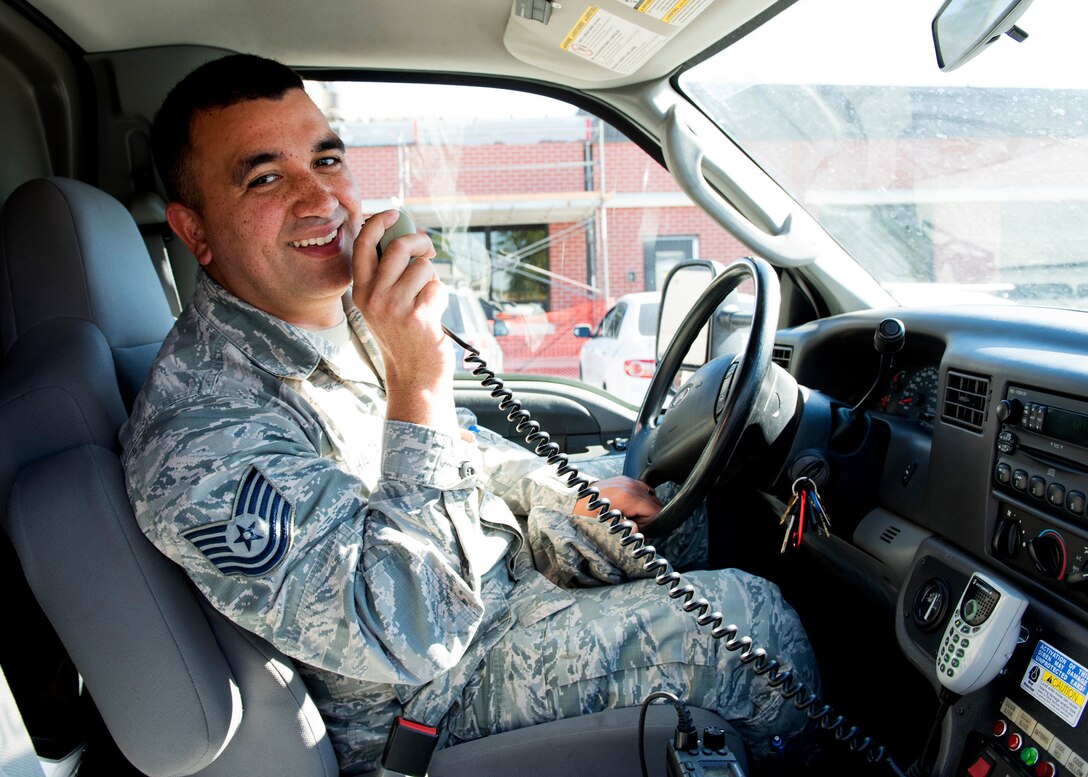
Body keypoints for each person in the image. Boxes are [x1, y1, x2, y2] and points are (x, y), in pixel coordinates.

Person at [119, 53, 820, 775]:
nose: (318, 198)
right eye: (265, 177)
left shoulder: (342, 313)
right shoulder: (195, 438)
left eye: (327, 160)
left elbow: (462, 449)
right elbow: (411, 628)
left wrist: (562, 501)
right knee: (750, 627)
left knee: (696, 511)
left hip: (493, 588)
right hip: (429, 705)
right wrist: (418, 380)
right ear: (195, 231)